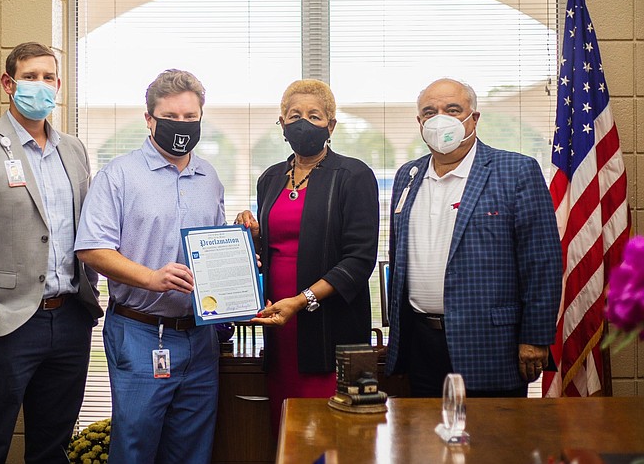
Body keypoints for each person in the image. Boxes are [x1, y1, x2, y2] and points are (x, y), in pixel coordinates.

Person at [0, 41, 103, 463]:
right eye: (30, 77)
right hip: (7, 324)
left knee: (52, 450)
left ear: (59, 85)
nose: (40, 85)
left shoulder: (74, 149)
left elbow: (87, 231)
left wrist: (88, 296)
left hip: (69, 320)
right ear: (8, 83)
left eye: (48, 77)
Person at [74, 69, 225, 464]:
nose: (181, 125)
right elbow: (92, 249)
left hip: (200, 337)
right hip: (140, 333)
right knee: (136, 449)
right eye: (171, 117)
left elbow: (216, 248)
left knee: (193, 450)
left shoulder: (209, 177)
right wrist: (152, 278)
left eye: (190, 118)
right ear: (149, 119)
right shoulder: (118, 176)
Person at [384, 78, 562, 397]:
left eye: (452, 110)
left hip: (491, 345)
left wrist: (535, 337)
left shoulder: (515, 170)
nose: (440, 119)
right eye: (430, 112)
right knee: (428, 443)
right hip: (421, 344)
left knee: (494, 442)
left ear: (473, 118)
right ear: (420, 122)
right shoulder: (407, 176)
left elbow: (542, 262)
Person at [235, 79, 379, 433]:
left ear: (330, 126)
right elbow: (278, 246)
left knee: (328, 434)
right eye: (294, 115)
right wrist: (253, 237)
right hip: (279, 329)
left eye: (314, 116)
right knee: (286, 429)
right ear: (282, 124)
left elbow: (359, 260)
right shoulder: (270, 178)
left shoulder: (354, 175)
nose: (303, 123)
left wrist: (302, 300)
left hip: (330, 330)